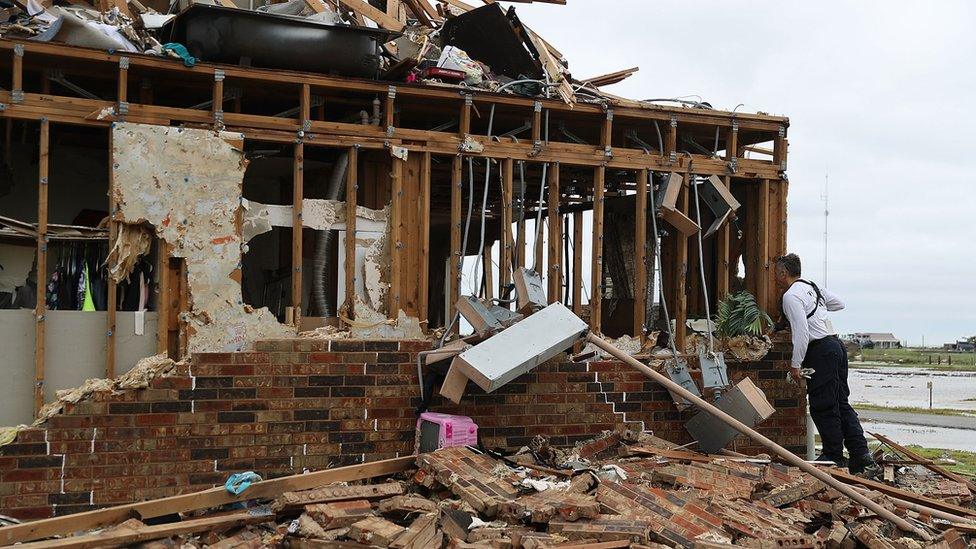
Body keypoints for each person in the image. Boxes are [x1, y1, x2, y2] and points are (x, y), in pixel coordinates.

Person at [774, 253, 877, 475]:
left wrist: (795, 364)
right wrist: (819, 309)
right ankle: (861, 455)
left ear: (783, 273)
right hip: (836, 347)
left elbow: (801, 333)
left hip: (820, 350)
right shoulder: (812, 286)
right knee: (841, 402)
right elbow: (839, 303)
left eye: (776, 273)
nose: (775, 277)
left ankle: (833, 455)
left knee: (823, 404)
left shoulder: (791, 296)